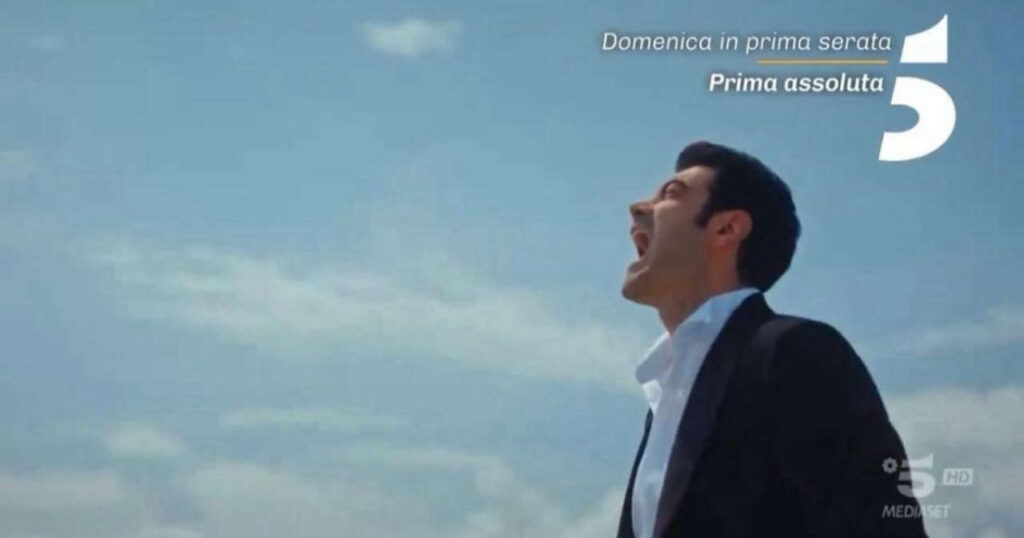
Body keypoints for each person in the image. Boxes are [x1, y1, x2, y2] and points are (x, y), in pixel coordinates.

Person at [617, 141, 927, 538]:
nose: (638, 207)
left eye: (672, 193)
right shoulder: (666, 395)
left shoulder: (797, 353)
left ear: (727, 228)